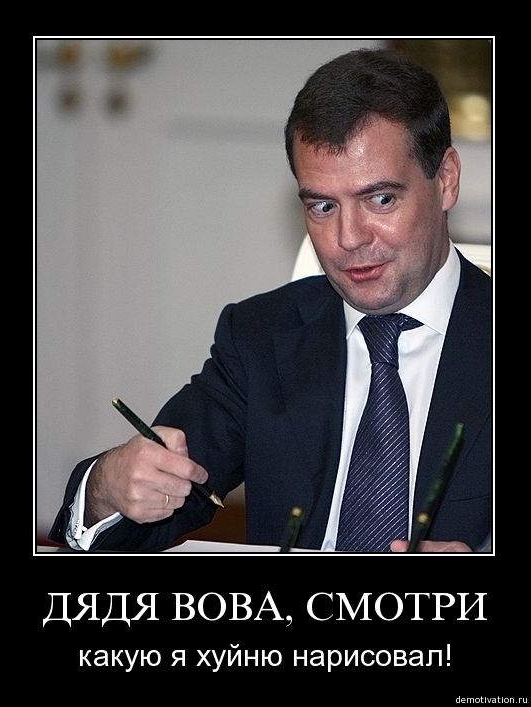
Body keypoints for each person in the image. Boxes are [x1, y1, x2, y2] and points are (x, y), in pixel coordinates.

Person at [49, 48, 492, 553]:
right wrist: (106, 488)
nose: (348, 238)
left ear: (446, 180)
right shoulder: (261, 336)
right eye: (323, 206)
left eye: (381, 199)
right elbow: (153, 497)